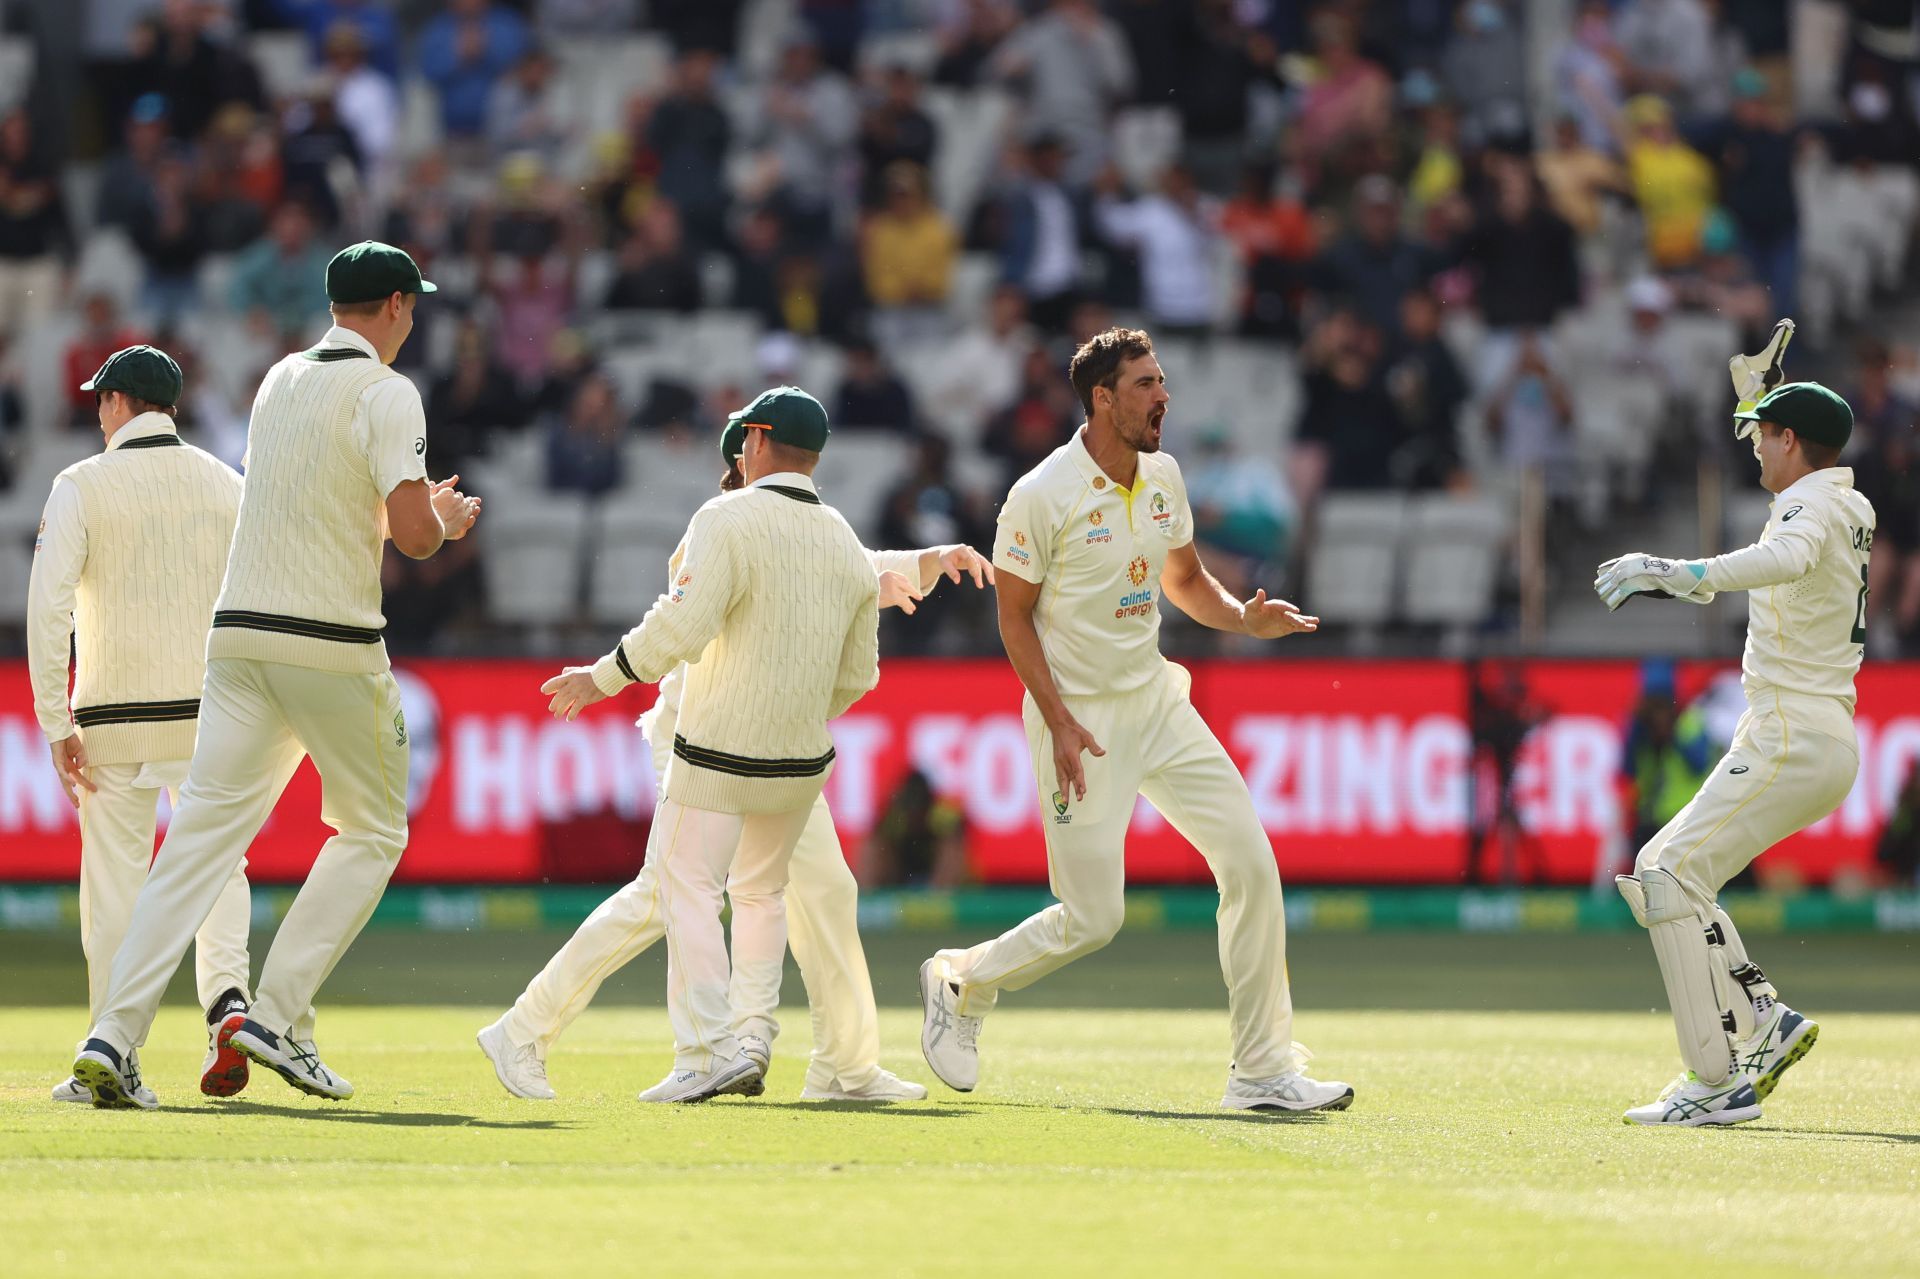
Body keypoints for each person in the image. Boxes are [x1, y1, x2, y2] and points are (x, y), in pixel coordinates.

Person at [480, 412, 995, 1104]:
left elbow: (841, 564)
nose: (735, 476)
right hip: (705, 736)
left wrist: (920, 564)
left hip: (771, 747)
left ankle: (823, 1061)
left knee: (805, 891)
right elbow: (780, 594)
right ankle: (538, 1030)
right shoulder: (733, 522)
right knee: (677, 894)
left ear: (755, 446)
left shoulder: (788, 527)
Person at [70, 243, 481, 1109]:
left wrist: (396, 516)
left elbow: (318, 510)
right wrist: (439, 520)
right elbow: (410, 535)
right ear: (399, 306)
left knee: (195, 847)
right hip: (329, 643)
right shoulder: (388, 390)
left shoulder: (278, 379)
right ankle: (279, 1015)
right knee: (374, 830)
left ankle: (112, 1034)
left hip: (238, 640)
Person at [918, 328, 1354, 1113]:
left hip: (1155, 701)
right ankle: (962, 980)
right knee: (1093, 918)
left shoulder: (1164, 476)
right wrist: (1055, 720)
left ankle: (1260, 1070)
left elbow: (1183, 580)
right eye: (1147, 384)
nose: (1163, 397)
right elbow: (1012, 619)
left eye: (1162, 381)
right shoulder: (1040, 493)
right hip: (1078, 720)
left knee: (1251, 866)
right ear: (1103, 398)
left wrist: (1242, 620)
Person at [531, 386, 880, 1103]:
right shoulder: (846, 537)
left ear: (755, 440)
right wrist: (794, 712)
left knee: (686, 887)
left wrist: (603, 677)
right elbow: (858, 676)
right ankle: (753, 1039)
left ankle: (705, 1051)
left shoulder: (726, 516)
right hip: (799, 763)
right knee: (762, 894)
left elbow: (679, 628)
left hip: (717, 751)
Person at [1596, 369, 1873, 1126]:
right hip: (1813, 732)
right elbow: (1798, 518)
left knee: (1663, 870)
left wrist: (1681, 572)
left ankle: (1714, 1078)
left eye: (1762, 434)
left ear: (1791, 441)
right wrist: (1764, 392)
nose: (1752, 447)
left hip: (1792, 729)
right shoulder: (1847, 498)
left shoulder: (1808, 503)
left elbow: (1786, 556)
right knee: (1684, 876)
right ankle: (1762, 1015)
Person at [28, 345, 254, 1107]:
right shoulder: (227, 485)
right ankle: (229, 1000)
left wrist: (54, 719)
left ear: (122, 403)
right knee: (218, 865)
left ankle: (114, 1051)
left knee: (115, 894)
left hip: (111, 723)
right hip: (208, 717)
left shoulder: (81, 485)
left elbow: (47, 607)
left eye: (101, 400)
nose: (97, 413)